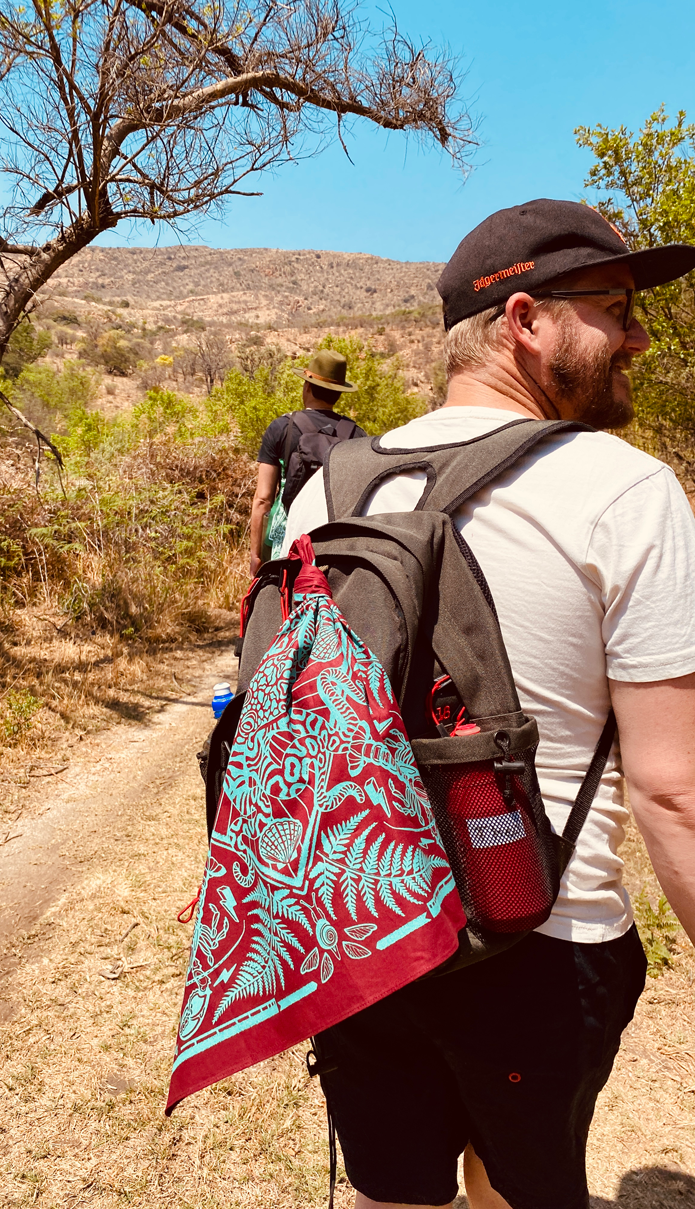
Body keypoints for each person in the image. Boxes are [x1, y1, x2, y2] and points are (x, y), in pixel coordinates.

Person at [282, 199, 695, 1209]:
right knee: (513, 1187)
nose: (639, 334)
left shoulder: (325, 492)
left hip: (362, 921)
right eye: (614, 307)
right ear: (525, 319)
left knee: (393, 1192)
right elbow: (672, 789)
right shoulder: (624, 491)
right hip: (542, 942)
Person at [248, 348, 365, 576]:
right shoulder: (357, 434)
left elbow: (263, 500)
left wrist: (256, 556)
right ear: (339, 393)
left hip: (288, 543)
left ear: (307, 387)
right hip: (335, 545)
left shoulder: (282, 427)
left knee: (282, 605)